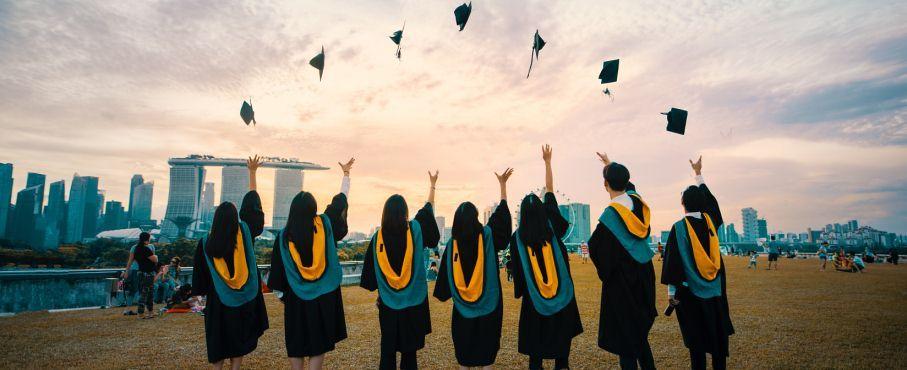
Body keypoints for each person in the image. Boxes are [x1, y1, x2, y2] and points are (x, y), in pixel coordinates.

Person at [267, 158, 354, 370]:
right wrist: (346, 176)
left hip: (295, 296)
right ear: (314, 208)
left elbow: (277, 273)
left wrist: (284, 296)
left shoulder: (284, 236)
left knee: (296, 342)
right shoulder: (324, 224)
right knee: (318, 342)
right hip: (323, 295)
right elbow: (339, 203)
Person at [507, 145, 583, 370]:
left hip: (534, 299)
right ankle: (562, 365)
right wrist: (548, 162)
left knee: (536, 352)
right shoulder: (552, 226)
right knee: (561, 353)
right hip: (561, 296)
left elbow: (518, 270)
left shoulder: (517, 239)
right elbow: (550, 190)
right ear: (543, 211)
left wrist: (521, 288)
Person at [192, 155, 269, 369]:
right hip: (243, 299)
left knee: (219, 342)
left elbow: (200, 277)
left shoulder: (205, 243)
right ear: (236, 219)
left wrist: (200, 298)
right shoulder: (244, 234)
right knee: (238, 340)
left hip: (218, 301)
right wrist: (252, 173)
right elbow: (253, 207)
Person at [433, 168, 514, 369]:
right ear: (477, 217)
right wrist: (503, 186)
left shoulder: (452, 245)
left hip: (462, 309)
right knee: (487, 345)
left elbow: (443, 285)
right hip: (489, 305)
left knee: (464, 346)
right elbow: (502, 218)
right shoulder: (488, 235)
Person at [360, 171, 441, 370]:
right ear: (405, 212)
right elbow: (427, 210)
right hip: (413, 303)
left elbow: (370, 280)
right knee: (409, 354)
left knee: (387, 353)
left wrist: (383, 291)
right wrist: (432, 185)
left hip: (388, 304)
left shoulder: (377, 238)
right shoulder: (415, 229)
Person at [661, 156, 735, 370]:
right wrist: (698, 174)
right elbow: (711, 202)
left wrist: (671, 294)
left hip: (691, 294)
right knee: (718, 340)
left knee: (697, 344)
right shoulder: (711, 222)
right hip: (716, 292)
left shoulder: (679, 227)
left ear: (682, 204)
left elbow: (673, 264)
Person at [586, 151, 656, 370]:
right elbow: (630, 187)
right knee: (640, 333)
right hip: (645, 273)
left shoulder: (610, 217)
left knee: (626, 338)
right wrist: (610, 164)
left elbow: (595, 247)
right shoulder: (638, 204)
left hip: (623, 282)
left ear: (605, 184)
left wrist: (608, 273)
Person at [121, 234, 156, 313]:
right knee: (134, 289)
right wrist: (126, 271)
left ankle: (142, 309)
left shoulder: (150, 247)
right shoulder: (136, 247)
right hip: (137, 270)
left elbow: (152, 260)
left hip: (145, 271)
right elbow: (130, 261)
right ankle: (129, 309)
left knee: (144, 291)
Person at [131, 232, 158, 319]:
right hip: (148, 274)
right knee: (147, 293)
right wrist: (156, 256)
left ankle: (149, 312)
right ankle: (142, 313)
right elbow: (155, 259)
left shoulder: (136, 249)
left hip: (141, 272)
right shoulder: (145, 249)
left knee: (144, 293)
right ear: (147, 239)